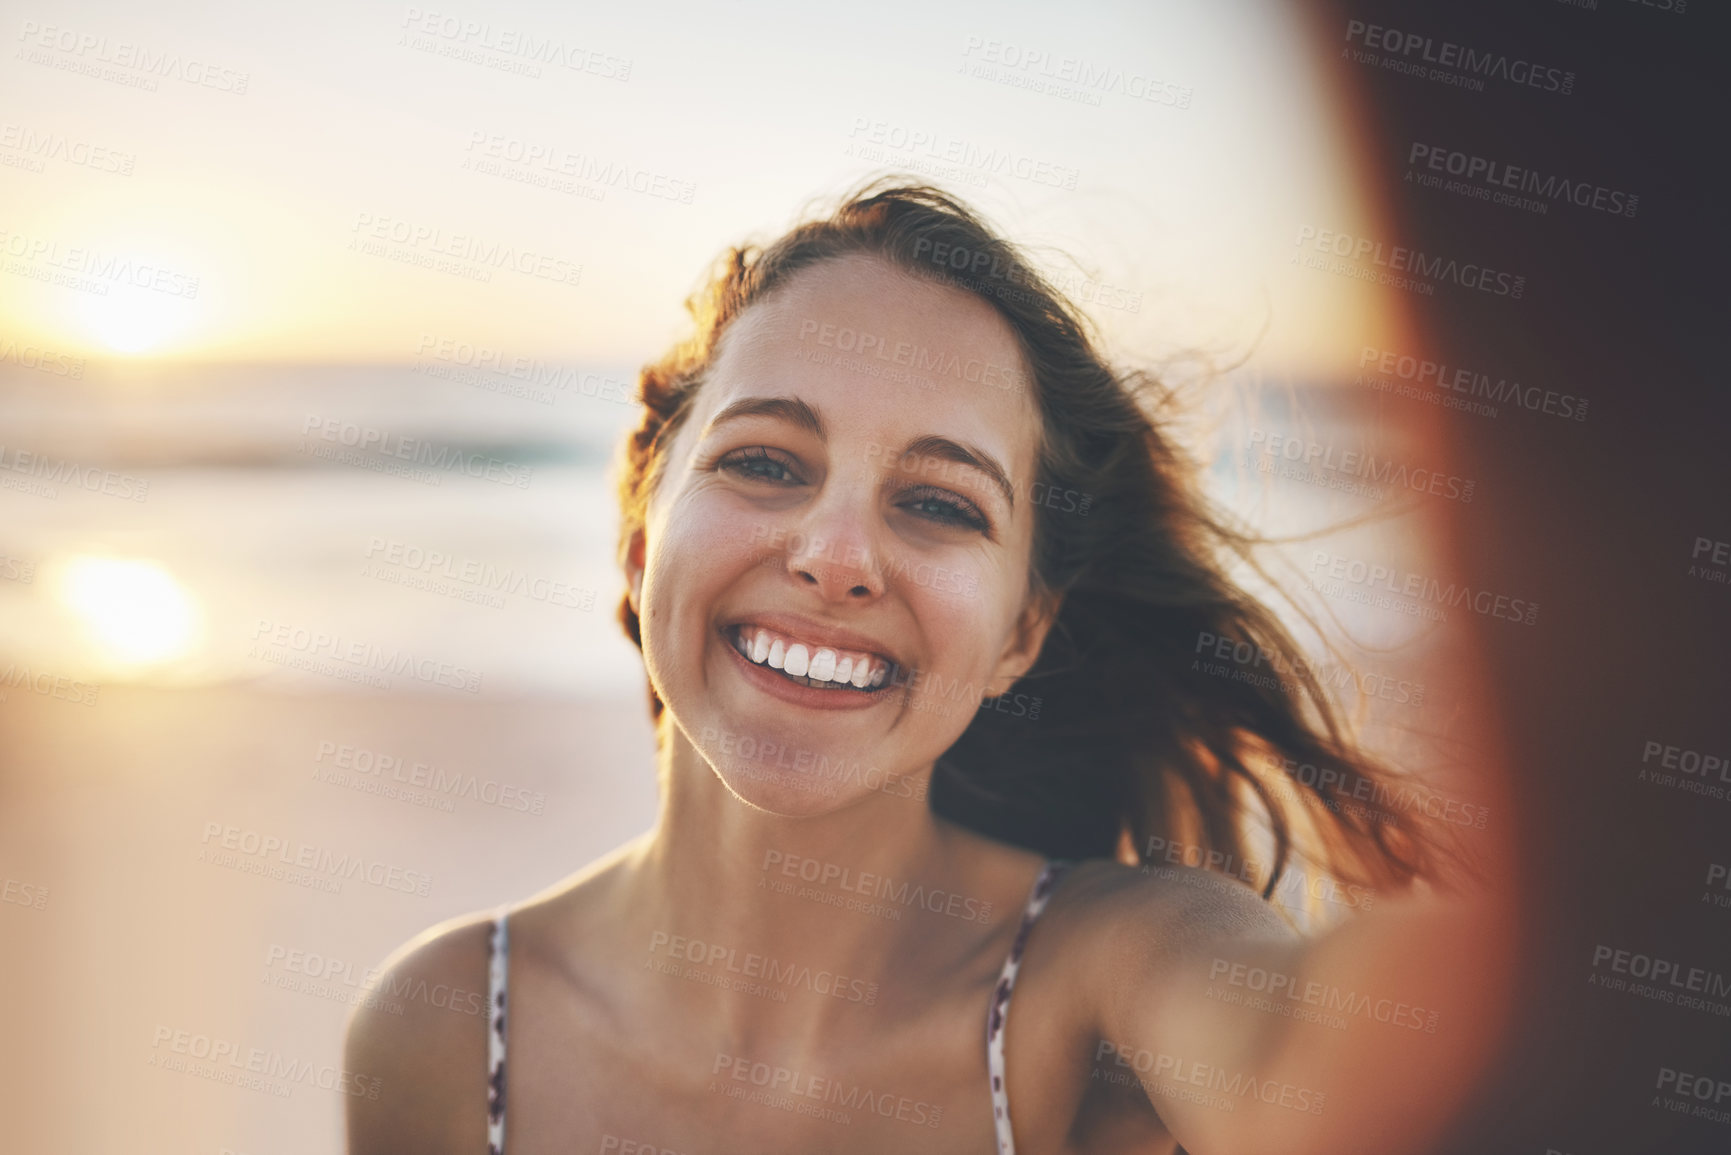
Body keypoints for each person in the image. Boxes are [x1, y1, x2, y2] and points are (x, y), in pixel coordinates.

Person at [344, 179, 1511, 1155]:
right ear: (647, 541)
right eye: (765, 461)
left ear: (1020, 634)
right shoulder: (446, 1028)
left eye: (939, 501)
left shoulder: (1106, 981)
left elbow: (1326, 1060)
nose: (837, 556)